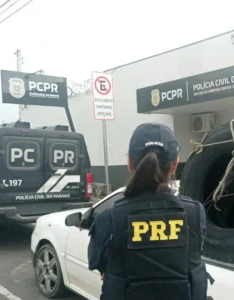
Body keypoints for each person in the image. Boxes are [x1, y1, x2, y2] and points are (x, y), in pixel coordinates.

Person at [87, 122, 211, 300]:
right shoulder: (195, 213)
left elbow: (96, 263)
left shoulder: (109, 218)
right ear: (175, 163)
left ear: (129, 162)